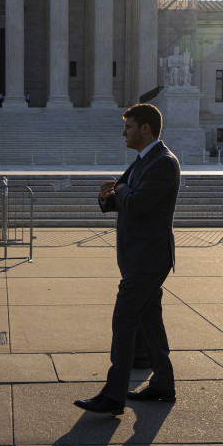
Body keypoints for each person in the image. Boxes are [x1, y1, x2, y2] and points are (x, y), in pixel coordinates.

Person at [74, 103, 181, 415]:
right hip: (139, 257)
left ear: (145, 128)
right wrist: (105, 195)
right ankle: (163, 383)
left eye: (129, 127)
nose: (124, 133)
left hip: (148, 259)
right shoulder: (142, 161)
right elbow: (119, 200)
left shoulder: (163, 163)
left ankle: (113, 395)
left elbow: (137, 204)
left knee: (123, 323)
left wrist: (120, 191)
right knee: (150, 321)